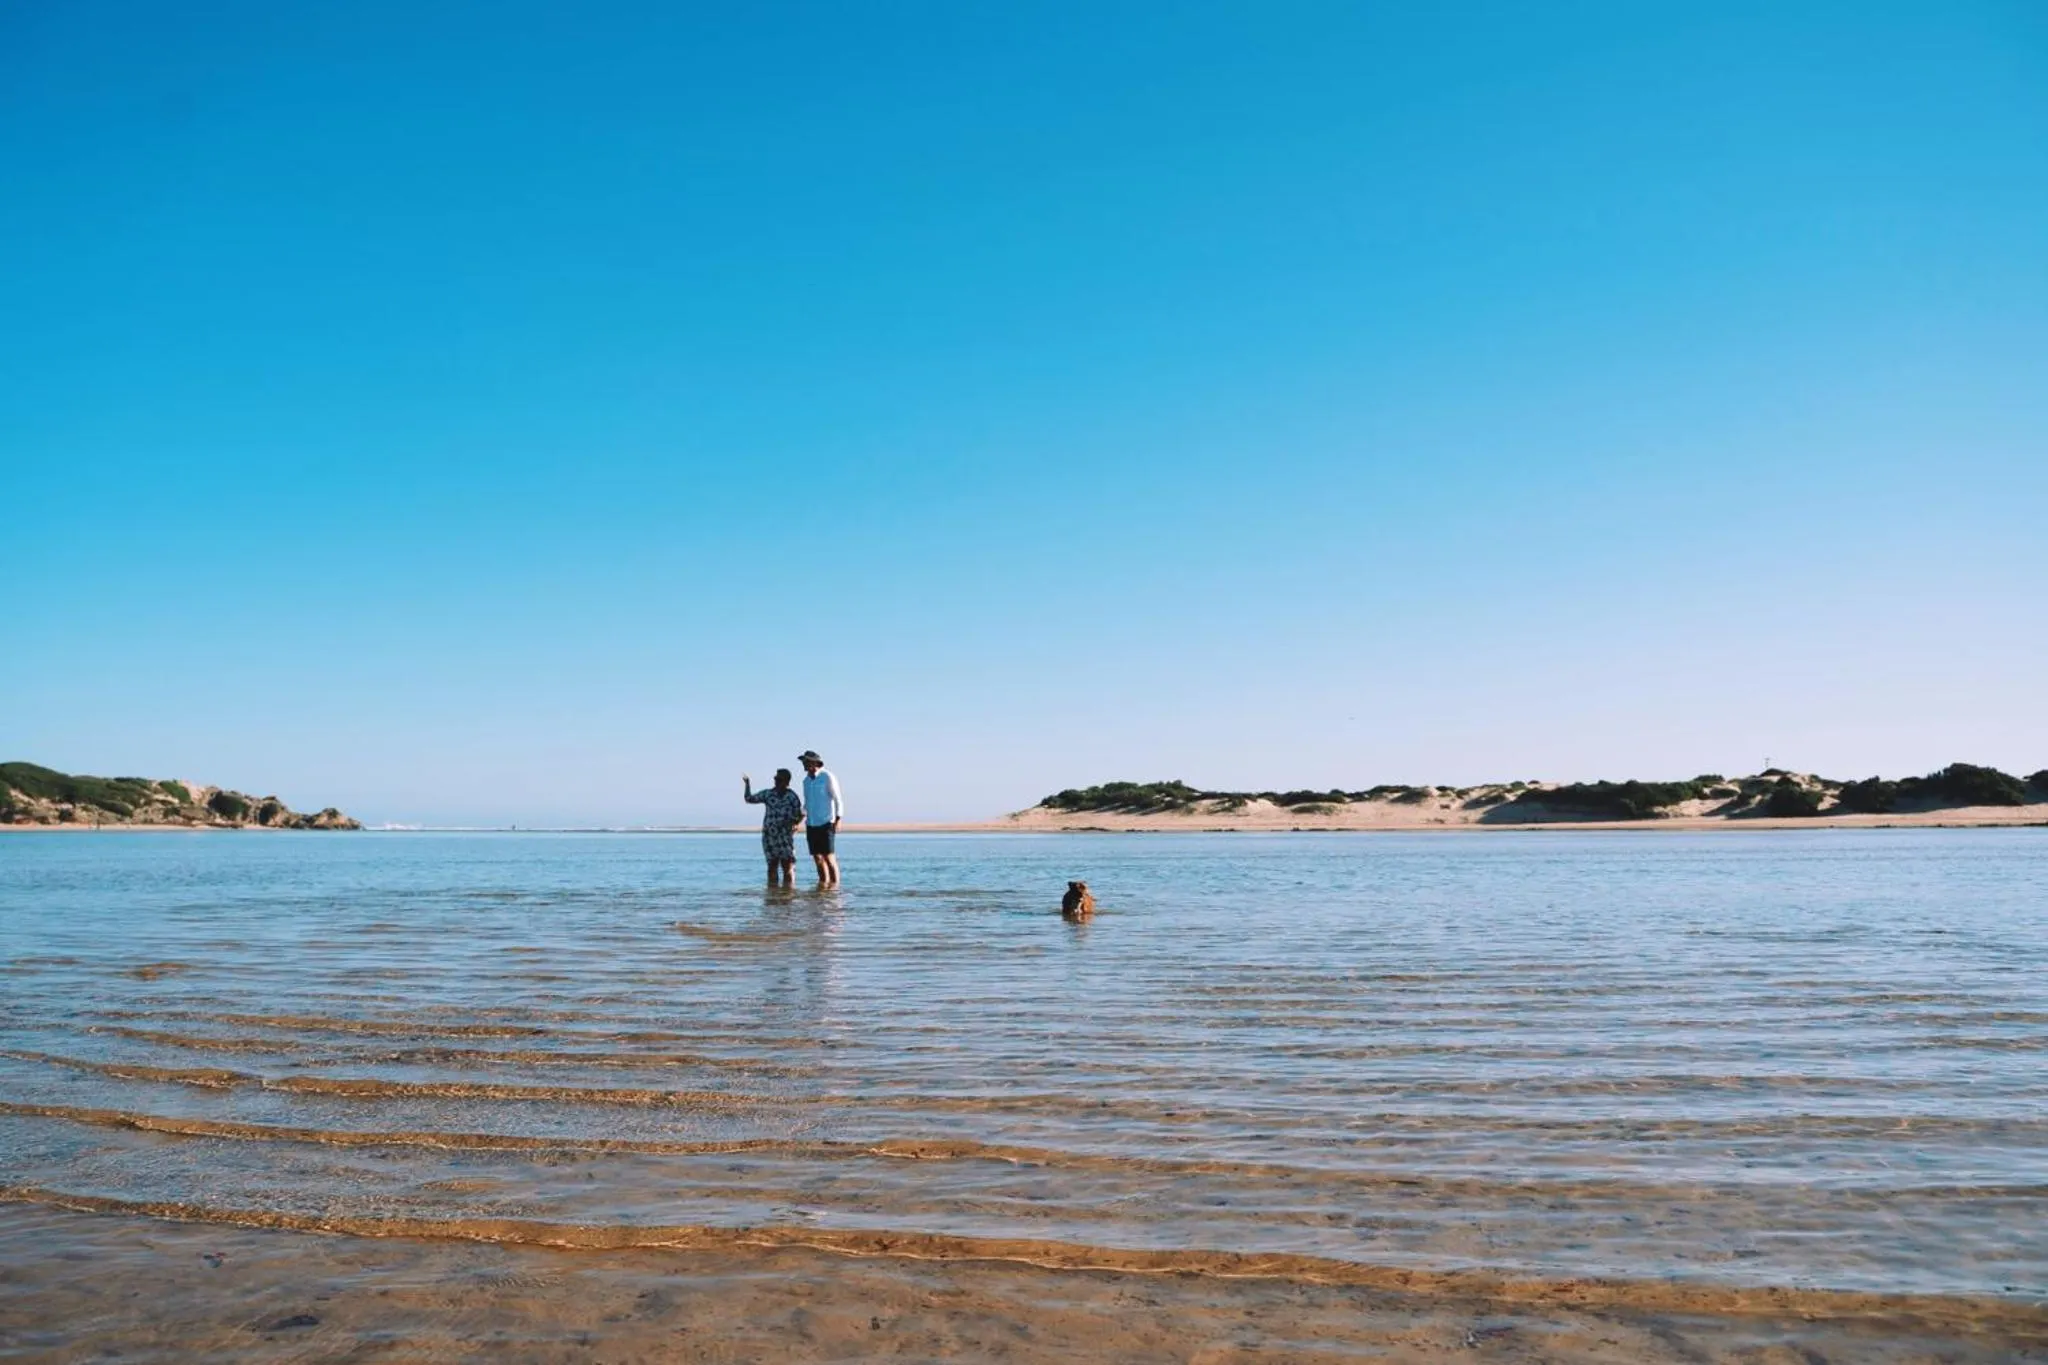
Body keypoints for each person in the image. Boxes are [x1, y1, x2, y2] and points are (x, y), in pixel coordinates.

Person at [742, 769, 804, 888]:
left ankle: (788, 896)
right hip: (769, 836)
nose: (775, 781)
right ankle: (772, 897)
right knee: (772, 866)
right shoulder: (768, 793)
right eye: (775, 779)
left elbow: (800, 813)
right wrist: (747, 784)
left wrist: (796, 823)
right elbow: (749, 799)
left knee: (788, 866)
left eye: (778, 779)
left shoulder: (792, 796)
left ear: (786, 781)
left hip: (785, 836)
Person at [797, 750, 843, 886]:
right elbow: (807, 803)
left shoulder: (827, 776)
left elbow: (837, 799)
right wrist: (798, 820)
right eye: (803, 762)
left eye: (806, 761)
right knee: (817, 858)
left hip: (826, 822)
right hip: (811, 824)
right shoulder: (805, 781)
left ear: (814, 762)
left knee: (829, 857)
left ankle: (834, 888)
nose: (804, 764)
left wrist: (839, 819)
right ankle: (823, 885)